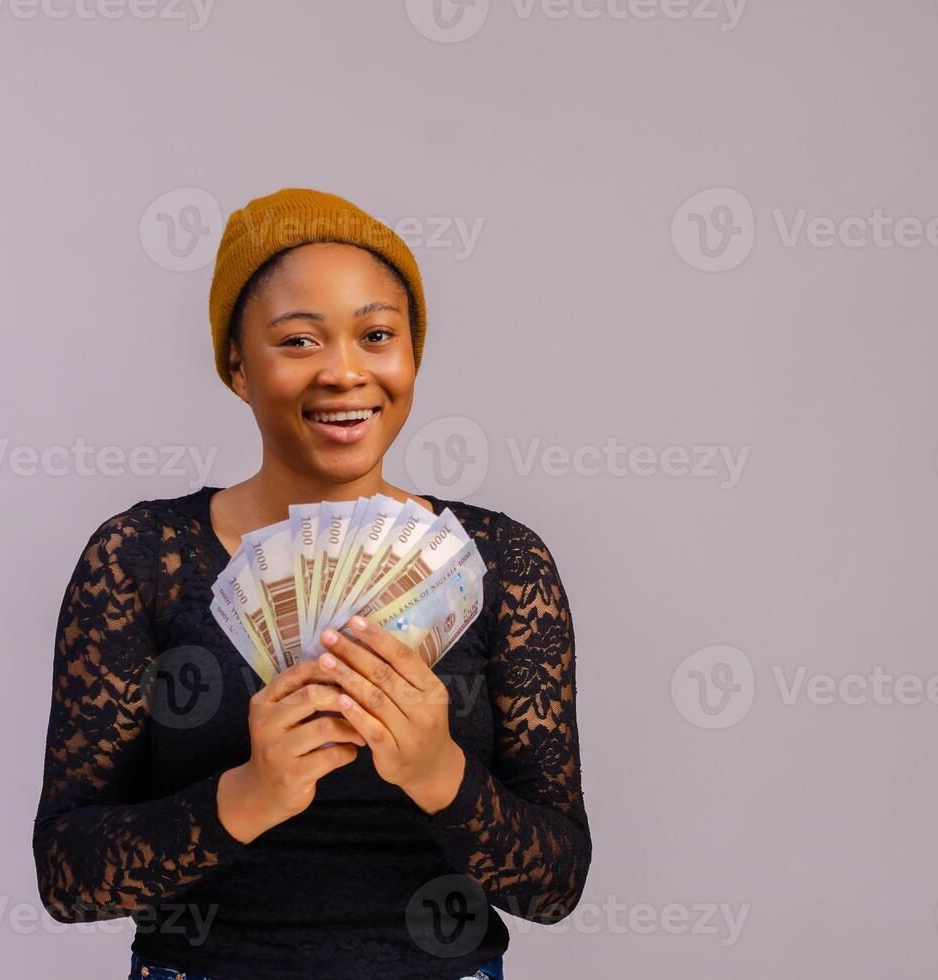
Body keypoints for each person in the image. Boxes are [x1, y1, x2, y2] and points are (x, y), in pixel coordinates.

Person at [32, 188, 591, 980]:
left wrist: (439, 773)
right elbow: (68, 877)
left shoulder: (502, 563)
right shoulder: (138, 558)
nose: (344, 372)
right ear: (237, 366)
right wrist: (249, 795)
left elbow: (556, 884)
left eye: (376, 335)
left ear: (412, 355)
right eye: (298, 341)